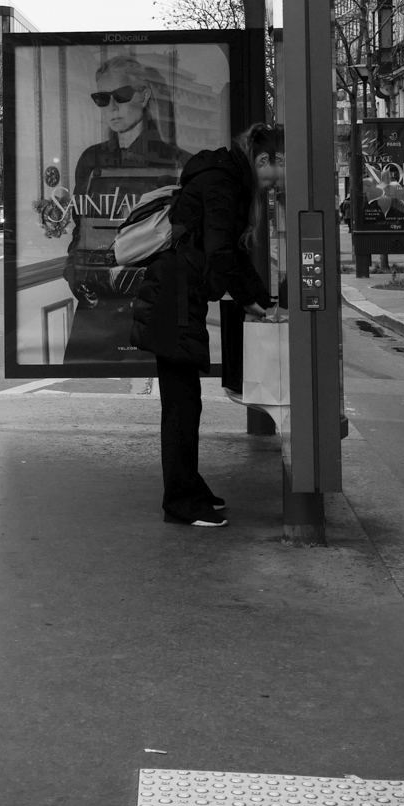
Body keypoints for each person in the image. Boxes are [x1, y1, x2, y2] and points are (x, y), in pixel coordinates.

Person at [130, 123, 282, 528]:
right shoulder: (222, 182)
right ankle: (180, 502)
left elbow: (230, 251)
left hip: (178, 297)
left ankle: (190, 488)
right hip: (174, 300)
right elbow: (220, 252)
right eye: (273, 177)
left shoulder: (224, 177)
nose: (272, 187)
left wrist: (260, 299)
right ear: (263, 160)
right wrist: (251, 300)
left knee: (185, 402)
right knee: (181, 406)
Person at [63, 53, 188, 365]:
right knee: (83, 384)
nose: (112, 107)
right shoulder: (90, 160)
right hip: (97, 308)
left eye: (121, 94)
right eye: (102, 98)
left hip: (152, 308)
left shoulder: (177, 162)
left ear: (144, 96)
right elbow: (81, 228)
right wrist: (75, 273)